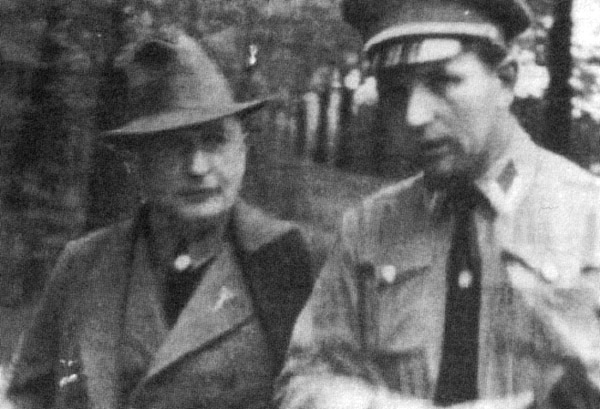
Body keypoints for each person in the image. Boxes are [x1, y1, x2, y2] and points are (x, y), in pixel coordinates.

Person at [275, 0, 600, 408]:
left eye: (442, 81)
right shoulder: (369, 228)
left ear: (505, 81)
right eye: (396, 91)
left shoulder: (589, 217)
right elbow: (303, 382)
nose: (414, 115)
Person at [6, 29, 325, 409]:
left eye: (215, 140)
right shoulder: (84, 263)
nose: (198, 167)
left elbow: (319, 390)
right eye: (175, 146)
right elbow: (28, 397)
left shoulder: (286, 259)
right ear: (136, 164)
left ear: (243, 148)